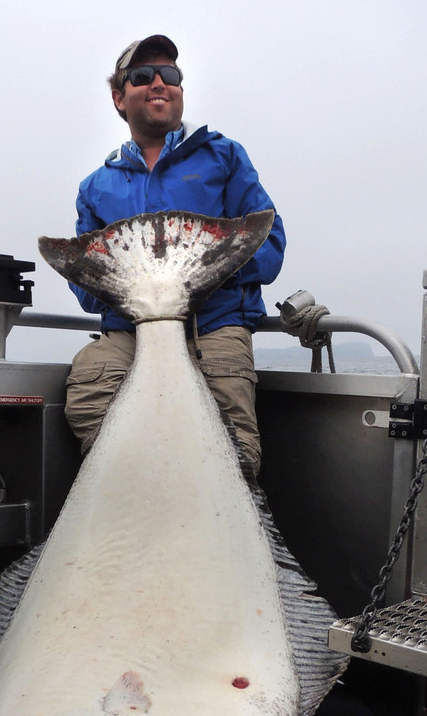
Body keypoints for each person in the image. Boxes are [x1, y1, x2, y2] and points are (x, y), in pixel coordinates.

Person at [64, 34, 286, 473]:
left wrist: (200, 274)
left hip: (214, 327)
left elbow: (270, 245)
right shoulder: (95, 188)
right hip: (128, 333)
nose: (159, 83)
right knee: (88, 395)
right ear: (118, 97)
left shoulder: (224, 157)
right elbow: (88, 293)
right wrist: (134, 288)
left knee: (233, 455)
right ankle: (127, 511)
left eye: (170, 75)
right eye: (143, 76)